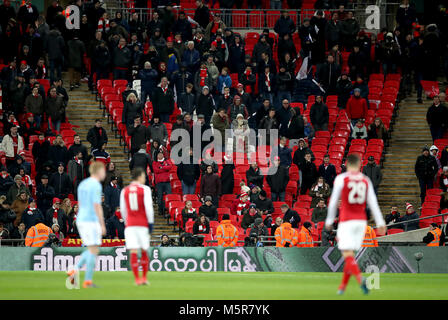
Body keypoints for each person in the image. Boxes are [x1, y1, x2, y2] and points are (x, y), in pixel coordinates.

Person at [325, 154, 386, 295]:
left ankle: (360, 279)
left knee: (347, 254)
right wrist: (381, 222)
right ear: (359, 165)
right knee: (350, 255)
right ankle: (342, 287)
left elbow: (334, 201)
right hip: (361, 222)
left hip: (346, 221)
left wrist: (329, 221)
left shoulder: (341, 179)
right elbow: (373, 203)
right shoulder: (365, 180)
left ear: (346, 164)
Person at [66, 162, 107, 289]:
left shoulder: (83, 184)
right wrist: (102, 224)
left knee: (92, 249)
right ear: (99, 171)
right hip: (90, 219)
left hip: (81, 218)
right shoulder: (95, 185)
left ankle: (75, 271)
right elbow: (96, 205)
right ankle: (86, 280)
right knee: (93, 250)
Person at [120, 168, 154, 285]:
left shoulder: (125, 190)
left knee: (133, 251)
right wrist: (150, 224)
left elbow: (123, 210)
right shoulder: (145, 189)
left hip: (130, 225)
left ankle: (136, 279)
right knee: (144, 250)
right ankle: (144, 278)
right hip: (142, 224)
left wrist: (127, 223)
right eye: (144, 176)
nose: (145, 178)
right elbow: (148, 208)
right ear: (139, 176)